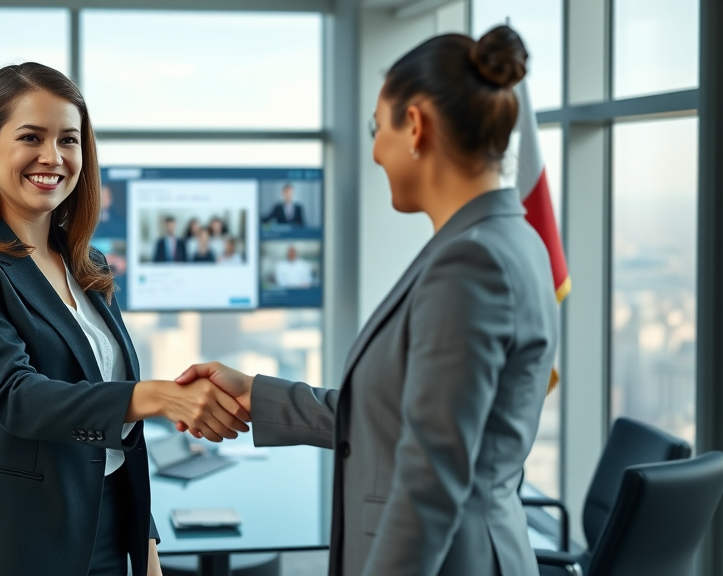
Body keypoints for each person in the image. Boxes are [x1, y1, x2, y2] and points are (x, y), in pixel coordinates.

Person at [176, 26, 558, 576]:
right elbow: (400, 419)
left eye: (377, 128)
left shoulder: (471, 263)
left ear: (416, 126)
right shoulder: (504, 239)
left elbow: (431, 482)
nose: (376, 151)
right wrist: (257, 394)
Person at [0, 63, 249, 576]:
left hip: (112, 526)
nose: (53, 157)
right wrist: (159, 397)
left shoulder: (86, 262)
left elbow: (111, 403)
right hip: (13, 541)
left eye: (69, 140)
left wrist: (147, 542)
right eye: (31, 137)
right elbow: (17, 397)